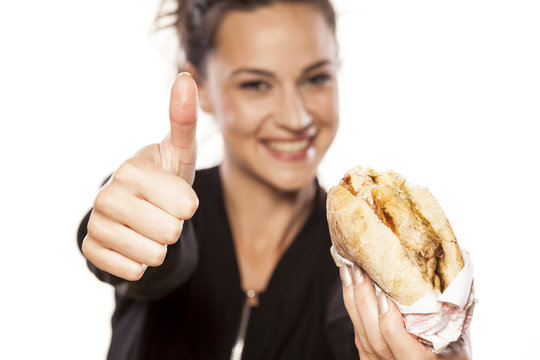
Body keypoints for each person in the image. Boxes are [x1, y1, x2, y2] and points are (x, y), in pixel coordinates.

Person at [77, 0, 472, 359]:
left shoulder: (364, 261)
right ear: (202, 88)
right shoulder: (165, 210)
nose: (296, 117)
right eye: (256, 84)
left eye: (315, 78)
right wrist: (129, 223)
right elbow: (147, 258)